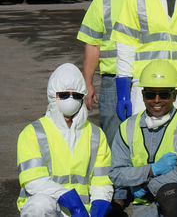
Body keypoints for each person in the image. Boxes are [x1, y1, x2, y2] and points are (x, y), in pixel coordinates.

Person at [108, 59, 177, 217]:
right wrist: (151, 170)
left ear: (175, 95)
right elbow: (116, 174)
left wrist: (148, 186)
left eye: (164, 94)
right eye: (151, 94)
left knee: (171, 193)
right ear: (143, 95)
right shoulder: (127, 127)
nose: (157, 100)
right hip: (144, 204)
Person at [16, 63, 113, 217]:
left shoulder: (96, 135)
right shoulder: (32, 133)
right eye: (64, 94)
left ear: (83, 96)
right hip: (52, 210)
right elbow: (34, 181)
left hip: (84, 213)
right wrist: (72, 201)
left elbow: (102, 181)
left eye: (76, 95)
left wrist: (99, 207)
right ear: (53, 95)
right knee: (39, 204)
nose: (70, 99)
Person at [77, 0, 144, 145]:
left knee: (147, 138)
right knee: (114, 139)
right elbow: (93, 45)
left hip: (147, 79)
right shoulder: (102, 1)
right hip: (112, 83)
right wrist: (87, 83)